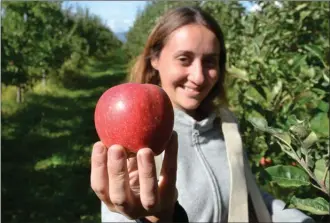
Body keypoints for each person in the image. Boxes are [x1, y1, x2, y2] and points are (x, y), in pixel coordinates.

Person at [90, 6, 315, 223]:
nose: (198, 77)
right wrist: (155, 219)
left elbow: (249, 196)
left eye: (209, 61)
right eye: (184, 59)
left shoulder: (226, 124)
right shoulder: (137, 133)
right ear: (155, 59)